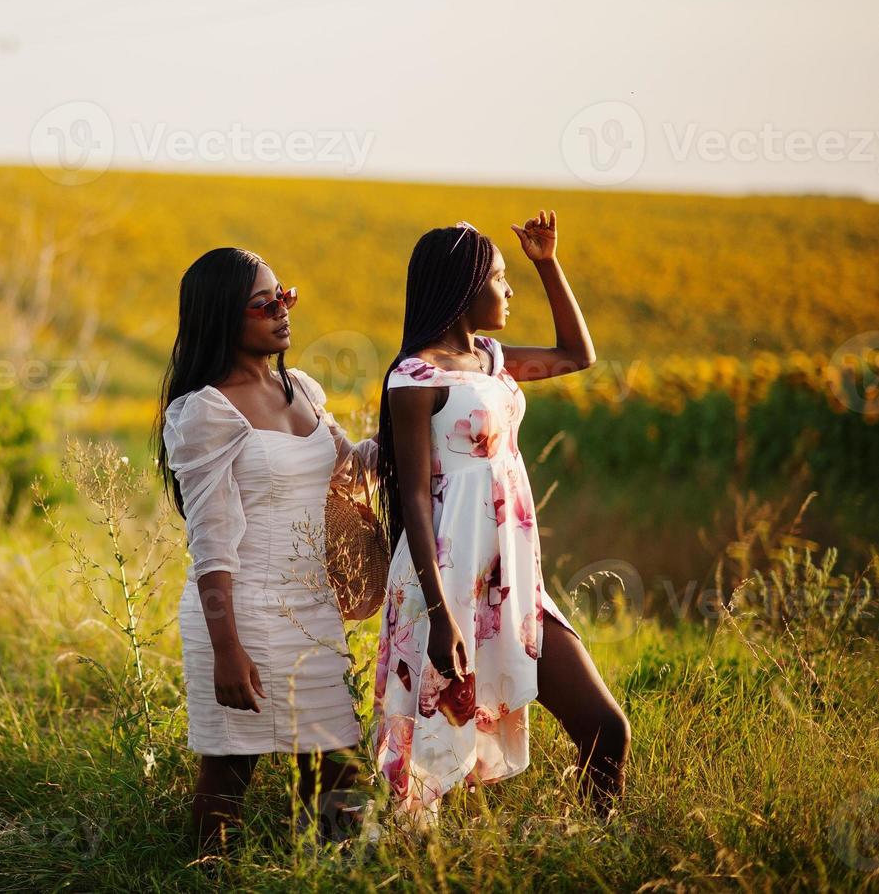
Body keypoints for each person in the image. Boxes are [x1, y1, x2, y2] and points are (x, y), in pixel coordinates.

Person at [372, 211, 629, 829]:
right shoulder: (415, 377)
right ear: (465, 286)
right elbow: (412, 499)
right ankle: (414, 870)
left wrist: (547, 262)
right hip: (446, 584)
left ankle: (599, 852)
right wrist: (439, 615)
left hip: (512, 583)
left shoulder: (492, 360)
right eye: (501, 278)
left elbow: (576, 354)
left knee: (604, 727)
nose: (508, 291)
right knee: (435, 769)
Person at [156, 247, 378, 852]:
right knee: (228, 775)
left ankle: (335, 877)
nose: (282, 310)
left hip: (310, 615)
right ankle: (206, 879)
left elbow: (352, 465)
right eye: (263, 303)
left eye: (286, 294)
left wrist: (426, 421)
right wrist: (227, 649)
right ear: (224, 317)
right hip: (240, 615)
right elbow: (210, 542)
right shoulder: (205, 410)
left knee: (340, 777)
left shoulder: (301, 388)